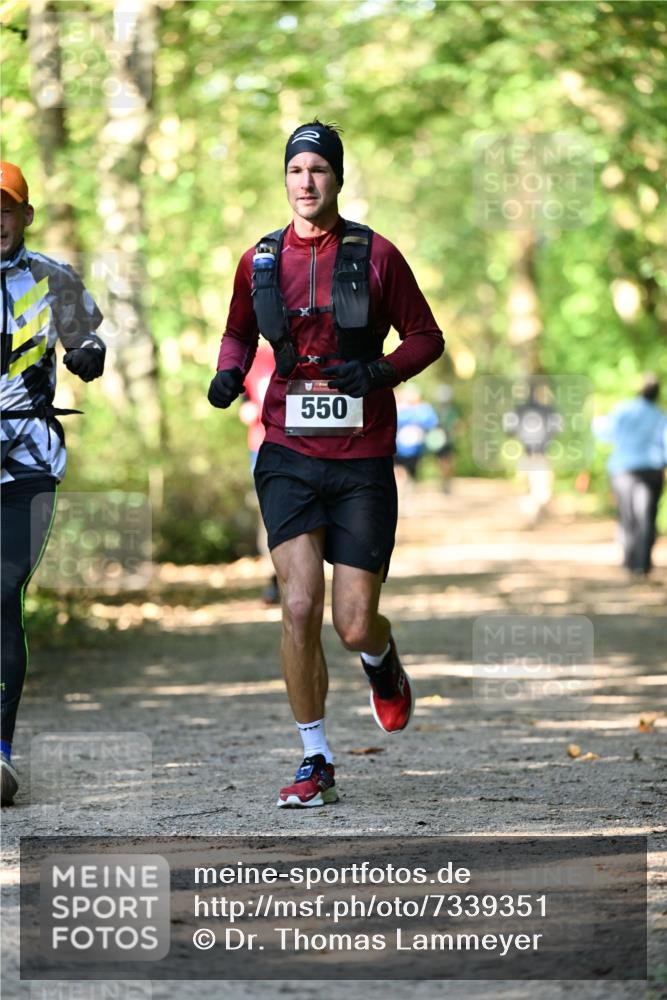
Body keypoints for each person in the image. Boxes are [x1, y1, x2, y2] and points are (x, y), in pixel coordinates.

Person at [208, 121, 444, 808]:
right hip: (285, 450)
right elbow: (236, 330)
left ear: (336, 179)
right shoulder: (259, 260)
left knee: (350, 623)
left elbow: (425, 337)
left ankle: (379, 658)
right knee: (299, 602)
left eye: (318, 169)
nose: (305, 181)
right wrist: (228, 374)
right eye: (295, 170)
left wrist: (375, 370)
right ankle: (315, 756)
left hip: (362, 458)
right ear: (284, 180)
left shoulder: (377, 256)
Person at [1, 162, 105, 806]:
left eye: (5, 209)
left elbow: (86, 342)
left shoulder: (54, 279)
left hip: (28, 464)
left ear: (25, 216)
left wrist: (88, 356)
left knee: (2, 587)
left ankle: (0, 754)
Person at [594, 373, 667, 576]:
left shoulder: (623, 409)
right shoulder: (660, 416)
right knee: (646, 516)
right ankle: (642, 565)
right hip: (651, 470)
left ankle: (629, 562)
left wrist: (597, 420)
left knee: (627, 515)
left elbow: (604, 433)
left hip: (622, 470)